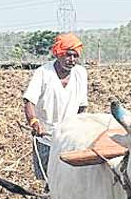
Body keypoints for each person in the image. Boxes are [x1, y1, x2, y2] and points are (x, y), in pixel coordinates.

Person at [21, 32, 88, 185]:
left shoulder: (81, 74)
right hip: (46, 137)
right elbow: (29, 101)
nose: (71, 60)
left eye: (75, 56)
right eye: (67, 55)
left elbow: (82, 107)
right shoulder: (43, 73)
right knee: (46, 181)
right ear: (58, 53)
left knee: (70, 181)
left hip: (70, 137)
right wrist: (34, 122)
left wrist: (79, 126)